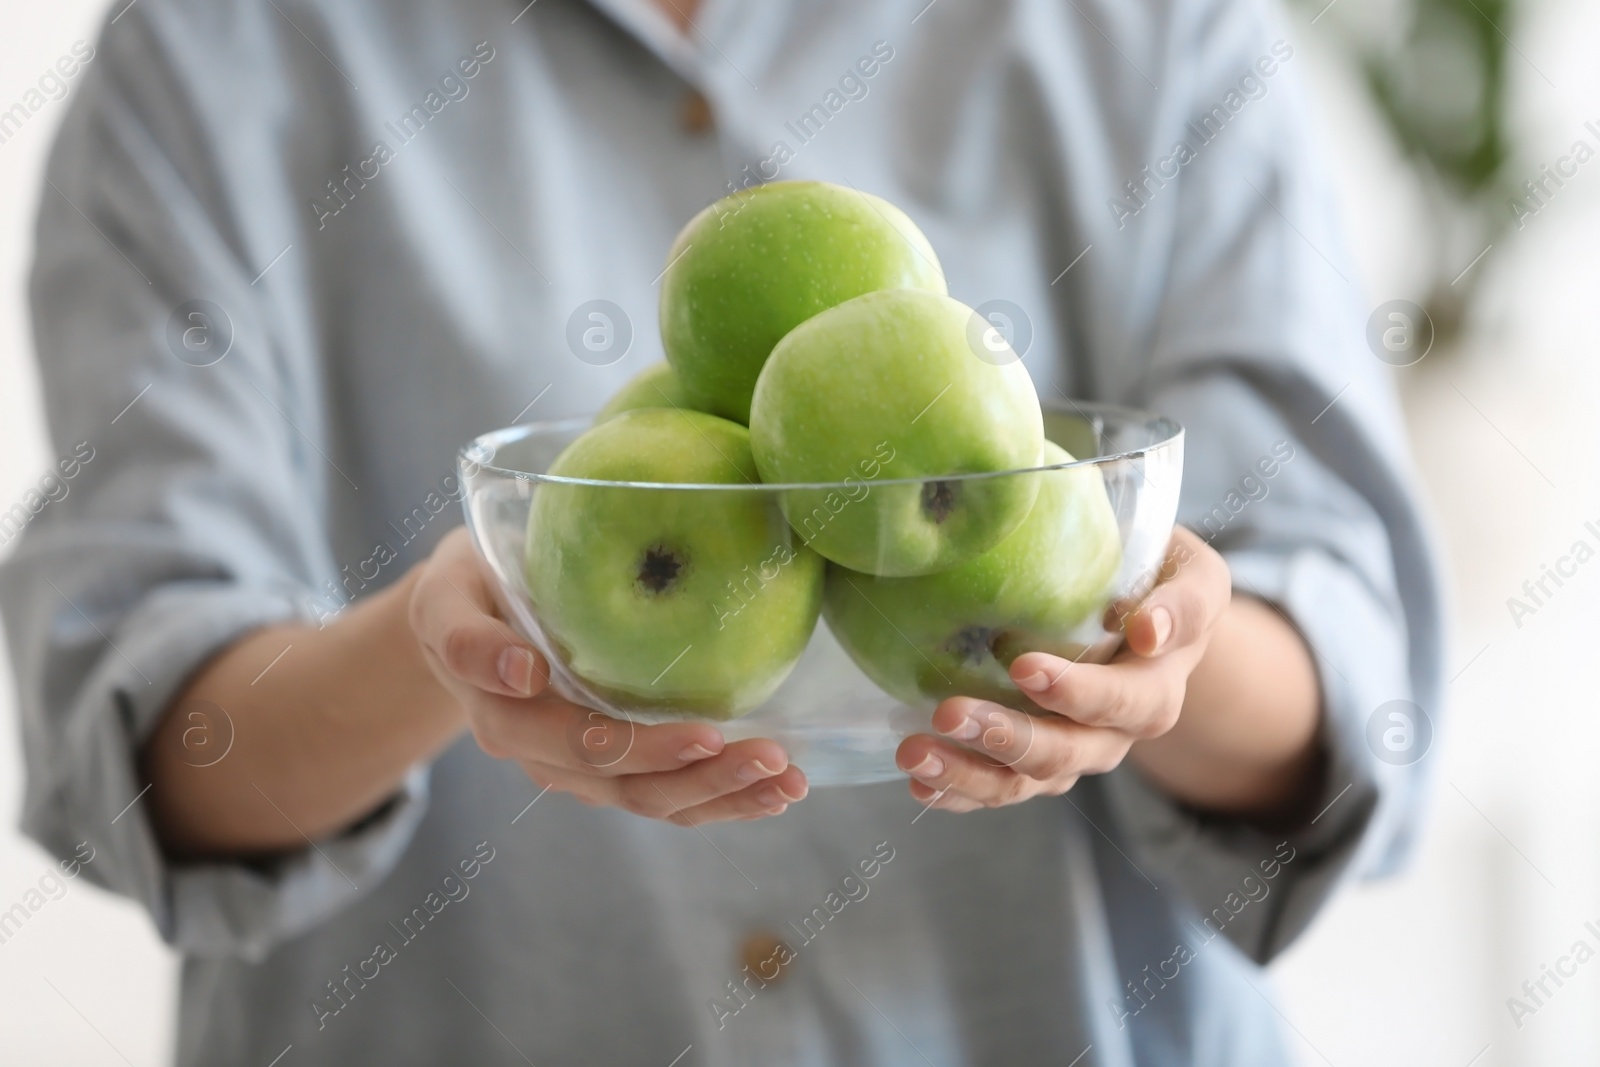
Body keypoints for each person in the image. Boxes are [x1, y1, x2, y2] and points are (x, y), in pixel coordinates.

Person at [1, 0, 1441, 1063]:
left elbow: (1353, 697)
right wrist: (457, 645)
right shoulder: (209, 51)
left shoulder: (1154, 27)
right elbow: (141, 753)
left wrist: (1150, 655)